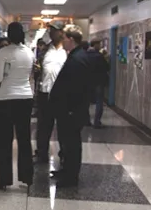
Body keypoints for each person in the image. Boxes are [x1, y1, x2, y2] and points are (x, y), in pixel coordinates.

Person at [0, 22, 35, 190]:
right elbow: (28, 74)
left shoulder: (3, 52)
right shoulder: (29, 53)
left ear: (9, 35)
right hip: (25, 98)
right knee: (24, 139)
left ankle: (4, 180)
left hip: (7, 99)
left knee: (4, 140)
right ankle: (27, 178)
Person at [49, 24, 92, 187]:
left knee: (72, 144)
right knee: (66, 143)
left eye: (65, 38)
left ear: (71, 40)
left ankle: (71, 177)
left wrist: (70, 110)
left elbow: (76, 88)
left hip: (72, 111)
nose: (63, 42)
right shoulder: (76, 56)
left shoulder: (78, 59)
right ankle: (66, 170)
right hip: (68, 110)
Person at [35, 21, 67, 163]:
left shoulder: (67, 50)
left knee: (63, 128)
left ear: (62, 32)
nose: (52, 33)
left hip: (61, 95)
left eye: (55, 30)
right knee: (43, 127)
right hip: (44, 93)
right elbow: (38, 68)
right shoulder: (45, 50)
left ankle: (64, 154)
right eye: (51, 30)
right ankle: (41, 153)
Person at [87, 40, 110, 128]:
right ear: (95, 45)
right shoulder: (99, 56)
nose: (100, 46)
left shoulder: (86, 55)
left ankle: (87, 120)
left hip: (88, 82)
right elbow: (107, 67)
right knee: (99, 102)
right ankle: (97, 121)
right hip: (98, 82)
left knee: (87, 102)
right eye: (99, 44)